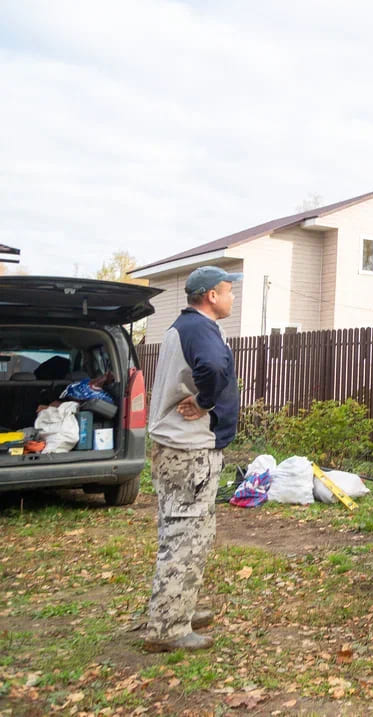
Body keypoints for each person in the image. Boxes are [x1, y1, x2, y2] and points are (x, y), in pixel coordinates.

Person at [143, 265, 242, 652]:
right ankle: (168, 628)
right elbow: (214, 367)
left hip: (178, 448)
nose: (232, 297)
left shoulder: (183, 327)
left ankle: (177, 606)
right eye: (228, 290)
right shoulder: (200, 329)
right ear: (211, 296)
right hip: (189, 450)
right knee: (185, 535)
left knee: (186, 532)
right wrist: (204, 401)